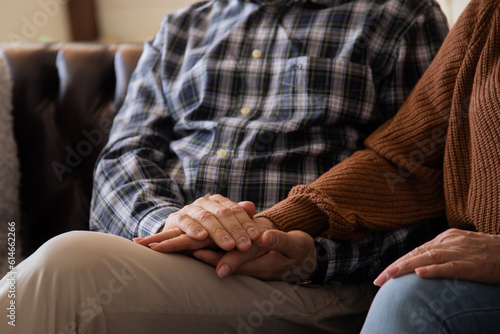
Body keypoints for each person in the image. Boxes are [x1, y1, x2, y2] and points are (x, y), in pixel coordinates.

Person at [0, 0, 449, 333]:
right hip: (169, 261)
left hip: (309, 283)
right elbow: (124, 155)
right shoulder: (183, 26)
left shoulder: (400, 18)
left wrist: (312, 258)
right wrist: (176, 227)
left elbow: (419, 187)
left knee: (65, 271)